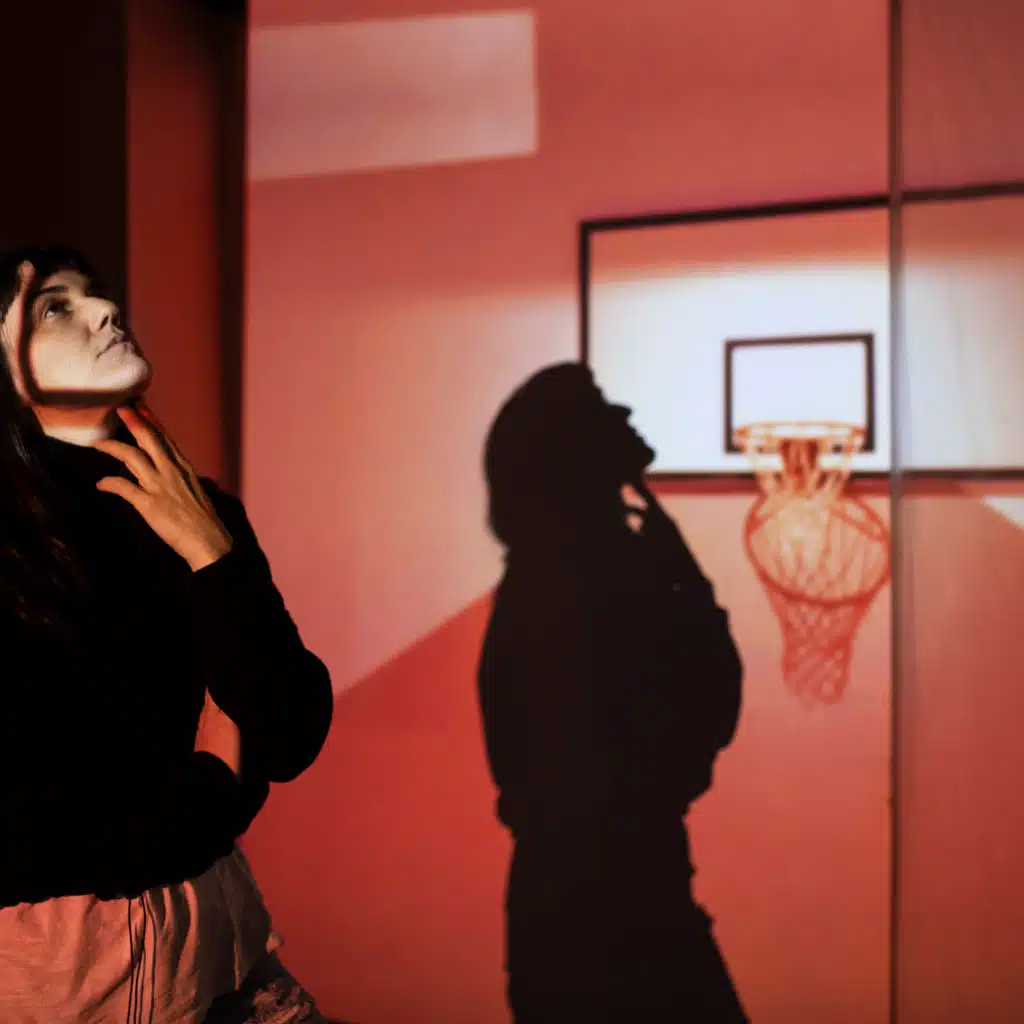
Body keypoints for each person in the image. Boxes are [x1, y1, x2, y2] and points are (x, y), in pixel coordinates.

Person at [0, 245, 334, 1024]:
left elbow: (290, 732)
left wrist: (214, 555)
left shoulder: (198, 510)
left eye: (96, 295)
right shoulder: (12, 545)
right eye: (56, 308)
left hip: (220, 948)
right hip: (57, 982)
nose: (105, 311)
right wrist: (211, 795)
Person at [478, 363, 748, 1022]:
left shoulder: (592, 569)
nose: (624, 415)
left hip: (611, 899)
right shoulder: (584, 583)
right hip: (609, 911)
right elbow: (708, 700)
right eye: (602, 407)